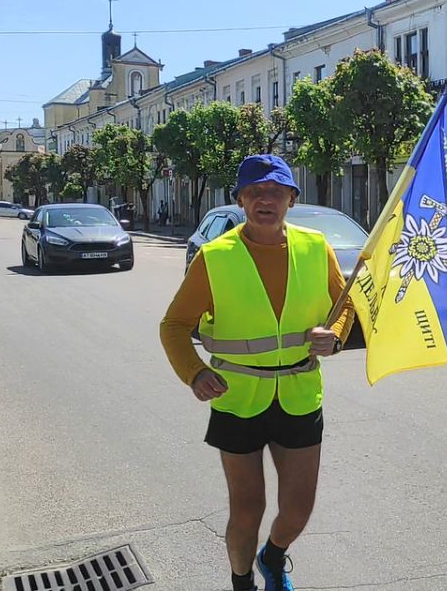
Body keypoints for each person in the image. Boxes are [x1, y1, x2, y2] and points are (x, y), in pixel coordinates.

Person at [159, 154, 355, 591]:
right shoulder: (215, 257)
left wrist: (336, 336)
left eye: (275, 191)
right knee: (247, 509)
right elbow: (173, 326)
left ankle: (274, 554)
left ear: (291, 198)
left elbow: (346, 307)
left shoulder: (314, 246)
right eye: (254, 191)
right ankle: (242, 580)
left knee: (298, 509)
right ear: (241, 200)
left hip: (300, 393)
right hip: (237, 396)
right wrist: (193, 373)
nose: (265, 198)